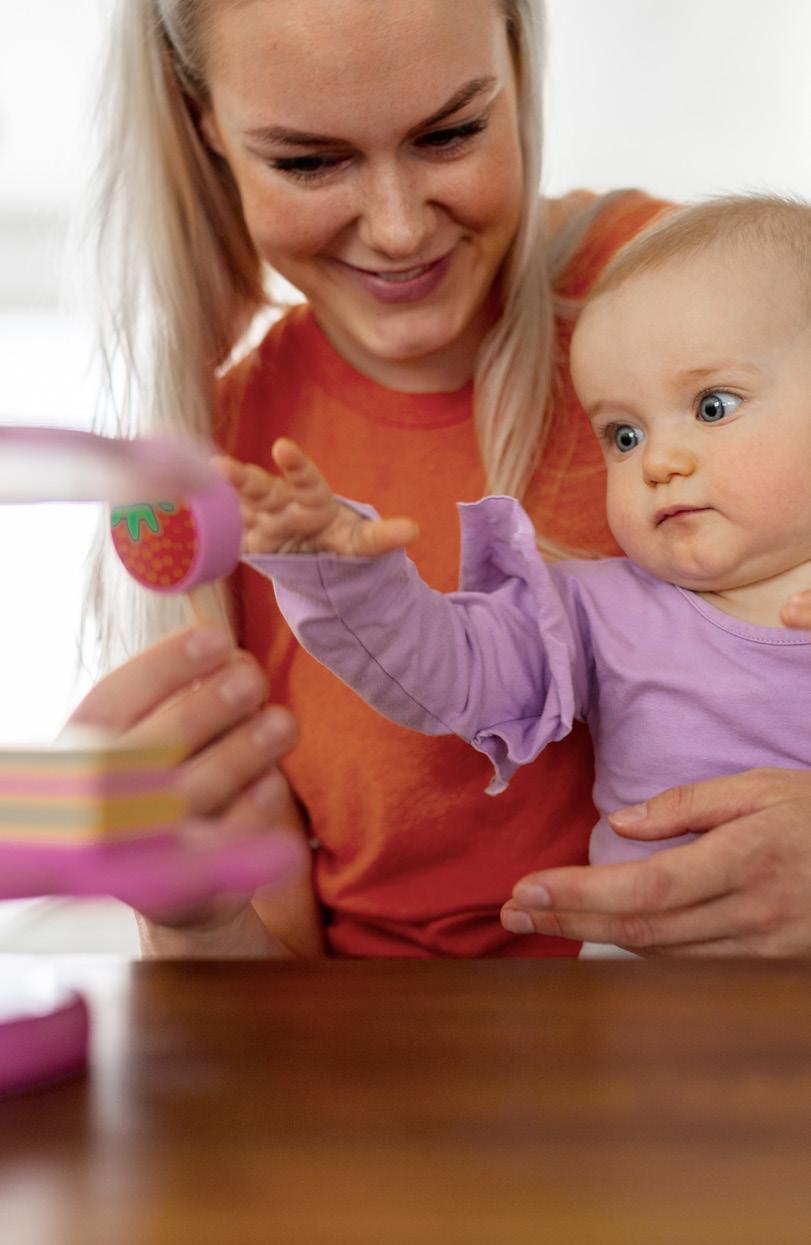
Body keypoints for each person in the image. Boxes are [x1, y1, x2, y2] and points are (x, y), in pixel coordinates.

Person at [74, 0, 811, 959]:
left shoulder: (721, 300)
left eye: (452, 132)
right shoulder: (226, 470)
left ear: (518, 62)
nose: (394, 228)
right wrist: (186, 908)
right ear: (204, 120)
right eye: (308, 160)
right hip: (403, 1077)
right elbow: (261, 1013)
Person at [217, 192, 811, 957]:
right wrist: (341, 573)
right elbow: (451, 669)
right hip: (654, 1027)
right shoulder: (603, 611)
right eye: (622, 434)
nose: (659, 462)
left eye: (712, 404)